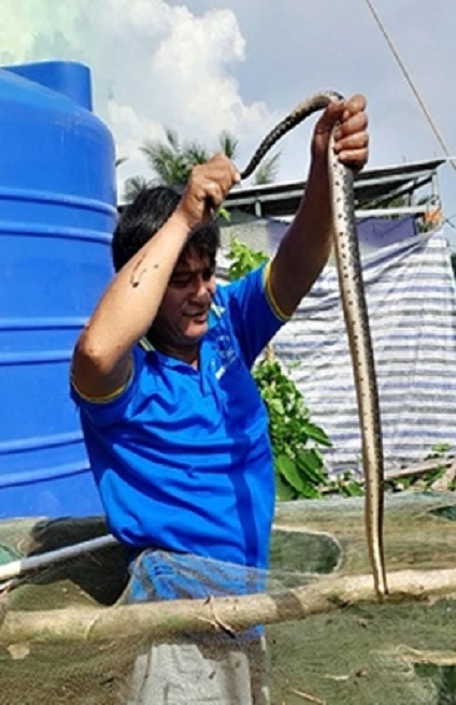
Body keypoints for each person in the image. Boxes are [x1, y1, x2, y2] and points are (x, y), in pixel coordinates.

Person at [69, 94, 369, 703]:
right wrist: (179, 219)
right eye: (180, 280)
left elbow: (302, 260)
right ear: (147, 281)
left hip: (246, 617)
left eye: (207, 273)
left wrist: (321, 167)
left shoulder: (229, 327)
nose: (202, 293)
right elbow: (96, 352)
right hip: (178, 638)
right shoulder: (128, 382)